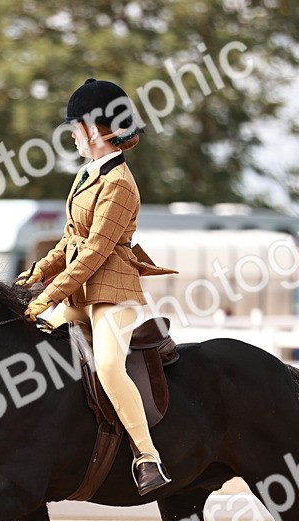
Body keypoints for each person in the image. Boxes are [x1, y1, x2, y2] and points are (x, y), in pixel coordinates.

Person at [17, 78, 178, 495]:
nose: (72, 135)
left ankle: (148, 457)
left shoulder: (120, 183)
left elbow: (95, 251)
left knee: (108, 365)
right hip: (81, 293)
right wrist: (37, 272)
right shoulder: (89, 175)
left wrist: (50, 295)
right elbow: (71, 238)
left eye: (76, 128)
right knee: (28, 334)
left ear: (96, 130)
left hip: (113, 295)